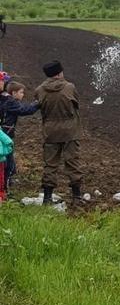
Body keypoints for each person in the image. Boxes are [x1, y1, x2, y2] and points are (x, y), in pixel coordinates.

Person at [34, 60, 85, 205]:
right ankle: (76, 197)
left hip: (50, 132)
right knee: (73, 163)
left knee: (50, 165)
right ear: (59, 73)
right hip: (70, 132)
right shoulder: (69, 87)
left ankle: (47, 198)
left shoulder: (39, 90)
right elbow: (77, 104)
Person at [0, 81, 40, 191]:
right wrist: (37, 104)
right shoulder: (10, 102)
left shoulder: (4, 99)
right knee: (8, 162)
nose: (23, 95)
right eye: (21, 92)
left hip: (3, 134)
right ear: (14, 93)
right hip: (5, 136)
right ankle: (4, 189)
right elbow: (25, 110)